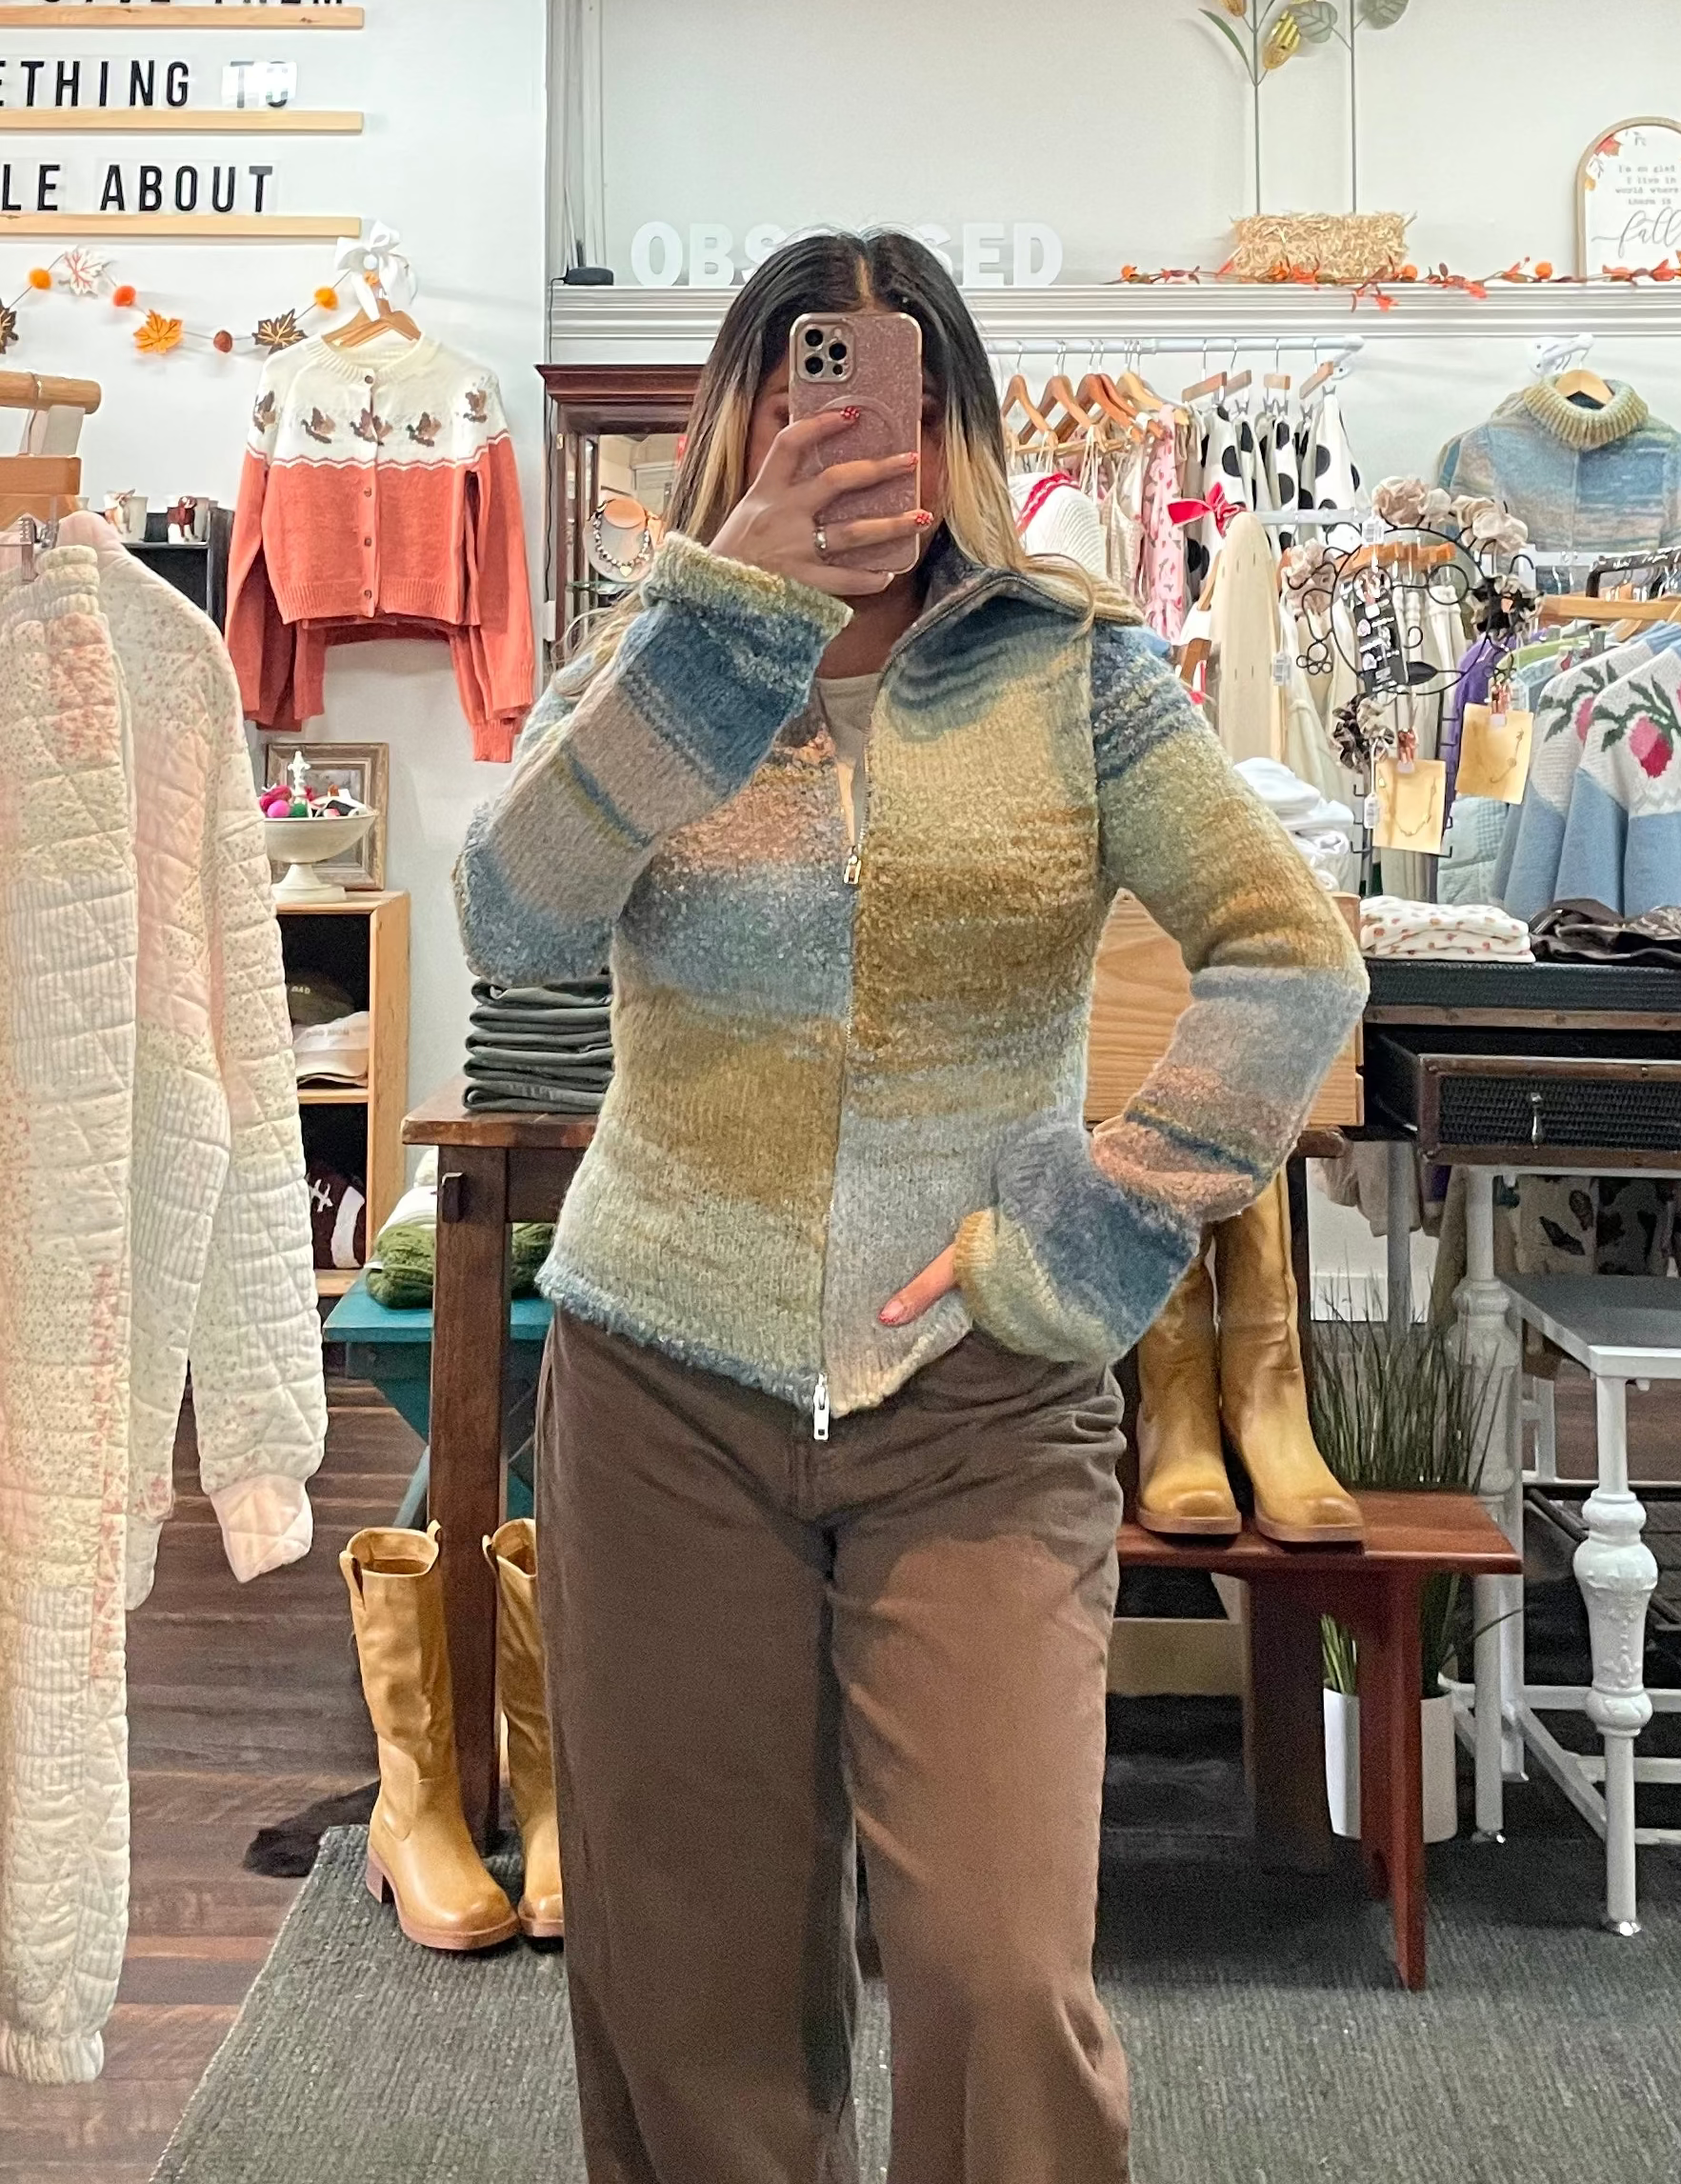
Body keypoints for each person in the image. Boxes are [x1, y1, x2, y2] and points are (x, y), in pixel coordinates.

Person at [454, 228, 1366, 2184]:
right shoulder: (641, 659)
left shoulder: (1074, 670)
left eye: (902, 393)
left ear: (959, 425)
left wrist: (1100, 1226)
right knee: (684, 1975)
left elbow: (1288, 956)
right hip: (661, 1384)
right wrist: (721, 626)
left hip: (981, 1393)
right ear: (740, 415)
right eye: (809, 387)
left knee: (996, 1968)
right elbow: (512, 923)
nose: (855, 432)